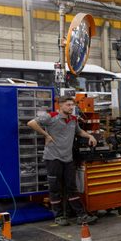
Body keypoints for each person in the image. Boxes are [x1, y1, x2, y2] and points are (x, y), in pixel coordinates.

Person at [28, 96, 98, 226]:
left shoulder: (73, 119)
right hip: (53, 158)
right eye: (68, 105)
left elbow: (79, 131)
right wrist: (46, 135)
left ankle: (81, 215)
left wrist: (89, 135)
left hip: (68, 158)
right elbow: (31, 123)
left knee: (72, 187)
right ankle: (59, 216)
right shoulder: (51, 116)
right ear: (60, 106)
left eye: (72, 105)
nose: (71, 107)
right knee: (55, 188)